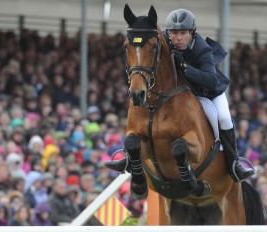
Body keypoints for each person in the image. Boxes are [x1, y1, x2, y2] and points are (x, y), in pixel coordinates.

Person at [106, 9, 255, 182]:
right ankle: (129, 157)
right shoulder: (163, 42)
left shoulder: (201, 48)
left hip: (206, 91)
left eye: (183, 33)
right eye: (174, 33)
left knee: (223, 118)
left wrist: (185, 67)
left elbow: (211, 80)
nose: (177, 38)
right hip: (179, 94)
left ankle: (234, 164)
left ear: (191, 33)